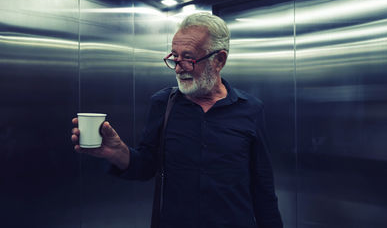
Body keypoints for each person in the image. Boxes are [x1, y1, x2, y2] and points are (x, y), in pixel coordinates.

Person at [71, 12, 283, 228]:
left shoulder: (251, 109)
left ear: (219, 60)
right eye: (174, 57)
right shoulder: (163, 104)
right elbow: (146, 166)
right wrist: (118, 153)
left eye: (188, 58)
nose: (179, 67)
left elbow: (262, 186)